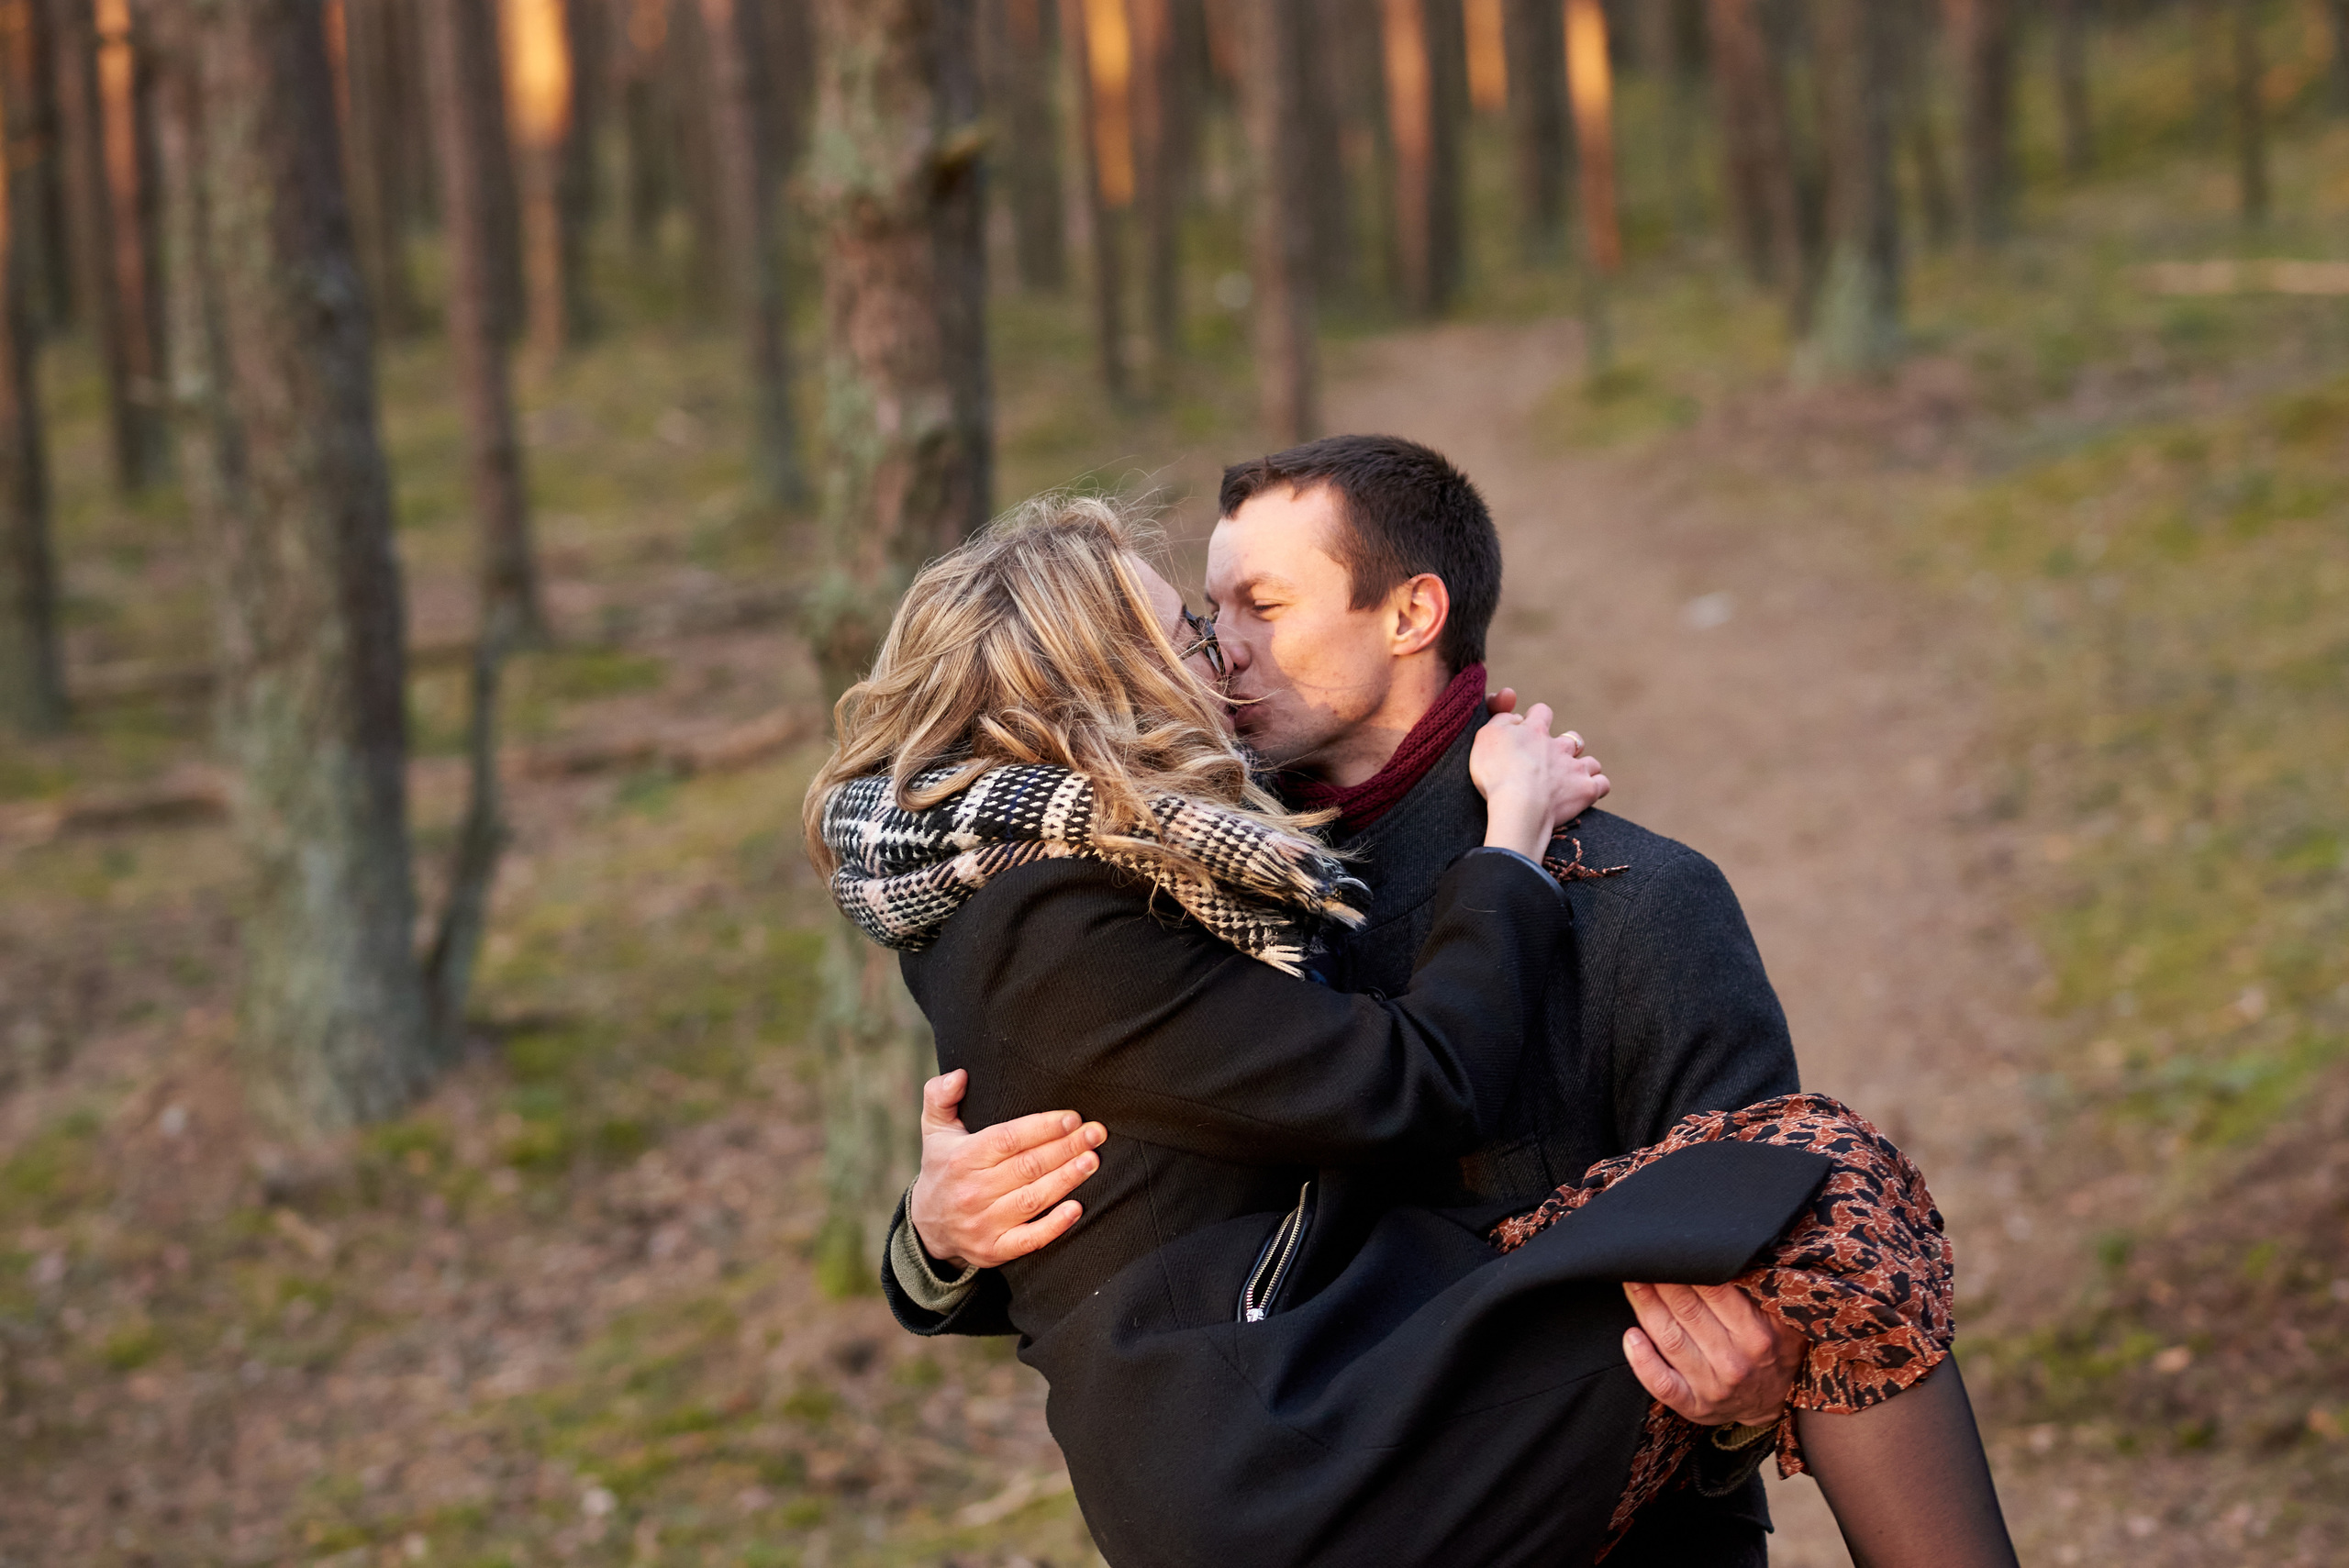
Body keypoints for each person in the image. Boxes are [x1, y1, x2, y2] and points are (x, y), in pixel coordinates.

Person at [809, 495, 2019, 1568]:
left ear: (1409, 615)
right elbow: (1162, 1186)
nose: (1222, 649)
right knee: (1822, 1191)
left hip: (1439, 1428)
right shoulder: (1099, 906)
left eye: (1258, 606)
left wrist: (1753, 1398)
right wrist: (933, 1234)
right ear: (1099, 675)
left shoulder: (1627, 896)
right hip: (1296, 1443)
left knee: (1812, 1193)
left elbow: (1736, 1225)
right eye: (1196, 622)